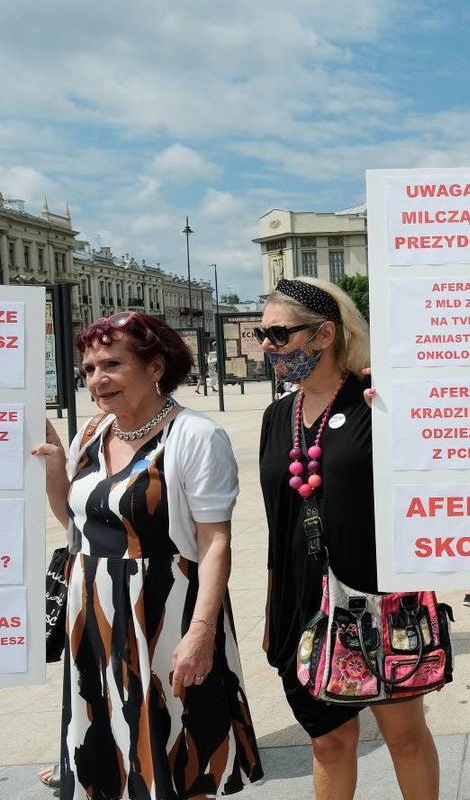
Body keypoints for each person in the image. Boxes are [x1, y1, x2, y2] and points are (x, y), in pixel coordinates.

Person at [33, 311, 263, 799]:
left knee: (180, 754)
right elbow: (78, 525)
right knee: (112, 757)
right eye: (90, 368)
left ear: (155, 367)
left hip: (167, 614)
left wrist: (200, 634)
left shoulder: (196, 436)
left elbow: (214, 540)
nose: (97, 379)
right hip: (95, 618)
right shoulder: (93, 433)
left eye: (111, 364)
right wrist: (57, 467)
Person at [258, 277, 440, 800]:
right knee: (328, 743)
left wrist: (404, 395)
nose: (268, 345)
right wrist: (276, 611)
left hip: (379, 595)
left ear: (324, 334)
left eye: (278, 333)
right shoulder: (277, 417)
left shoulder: (376, 401)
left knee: (403, 737)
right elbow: (278, 522)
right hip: (302, 603)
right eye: (261, 333)